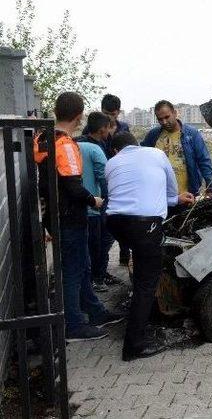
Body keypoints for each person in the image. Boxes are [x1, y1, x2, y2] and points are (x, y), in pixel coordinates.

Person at [35, 92, 123, 342]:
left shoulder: (43, 137)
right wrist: (93, 200)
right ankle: (73, 325)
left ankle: (93, 311)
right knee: (73, 271)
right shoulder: (65, 145)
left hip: (55, 215)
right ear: (79, 116)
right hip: (70, 217)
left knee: (82, 266)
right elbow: (73, 186)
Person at [106, 132, 194, 361]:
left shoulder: (112, 163)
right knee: (147, 284)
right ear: (137, 144)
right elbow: (170, 191)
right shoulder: (156, 153)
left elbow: (129, 193)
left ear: (116, 150)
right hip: (145, 225)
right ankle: (134, 346)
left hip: (115, 223)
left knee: (142, 266)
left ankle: (140, 312)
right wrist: (177, 199)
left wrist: (173, 200)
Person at [82, 94, 132, 266]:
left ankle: (125, 257)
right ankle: (100, 271)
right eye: (106, 113)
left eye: (112, 114)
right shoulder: (91, 131)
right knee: (105, 229)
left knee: (125, 221)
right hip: (102, 182)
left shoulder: (123, 128)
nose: (109, 118)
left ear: (118, 112)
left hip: (120, 179)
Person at [142, 100, 212, 196]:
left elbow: (204, 160)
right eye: (160, 119)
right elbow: (142, 157)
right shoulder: (153, 135)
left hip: (188, 194)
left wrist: (211, 188)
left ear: (175, 113)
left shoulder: (192, 134)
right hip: (161, 195)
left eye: (167, 117)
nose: (164, 122)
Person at [77, 112, 111, 292]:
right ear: (102, 129)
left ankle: (86, 281)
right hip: (94, 207)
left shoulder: (73, 144)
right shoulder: (96, 149)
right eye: (108, 128)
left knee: (83, 250)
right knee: (98, 247)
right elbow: (104, 178)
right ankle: (97, 280)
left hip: (76, 206)